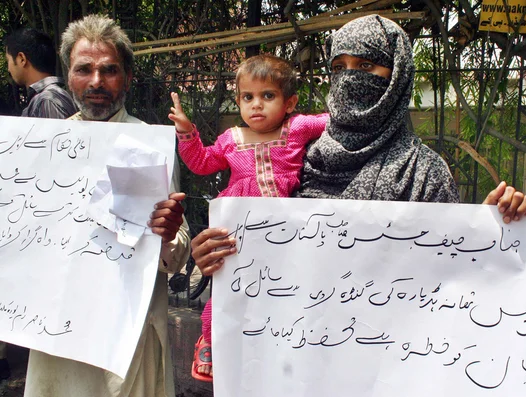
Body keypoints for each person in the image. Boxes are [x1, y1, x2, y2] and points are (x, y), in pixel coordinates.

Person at [188, 13, 526, 331]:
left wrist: (498, 229)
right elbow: (264, 261)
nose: (348, 79)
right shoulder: (299, 159)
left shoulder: (422, 172)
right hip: (292, 354)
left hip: (384, 361)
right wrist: (215, 255)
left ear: (397, 76)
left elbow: (452, 283)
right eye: (339, 68)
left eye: (365, 66)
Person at [23, 14, 191, 397]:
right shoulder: (41, 147)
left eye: (109, 70)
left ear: (128, 78)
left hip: (128, 333)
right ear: (69, 76)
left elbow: (176, 257)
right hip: (58, 330)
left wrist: (166, 235)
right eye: (84, 69)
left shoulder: (153, 146)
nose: (96, 82)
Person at [168, 54, 328, 381]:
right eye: (247, 97)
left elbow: (335, 119)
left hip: (286, 233)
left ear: (289, 102)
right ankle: (211, 344)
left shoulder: (297, 127)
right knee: (229, 290)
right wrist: (186, 132)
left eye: (268, 96)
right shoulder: (231, 139)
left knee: (283, 292)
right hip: (237, 235)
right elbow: (200, 162)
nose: (257, 105)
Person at [1, 27, 78, 382]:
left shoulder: (48, 100)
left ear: (21, 58)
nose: (8, 67)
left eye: (7, 58)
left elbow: (57, 169)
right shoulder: (56, 96)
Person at [4, 27, 76, 119]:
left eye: (8, 61)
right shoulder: (48, 97)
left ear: (22, 59)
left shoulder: (47, 100)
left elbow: (55, 134)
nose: (9, 69)